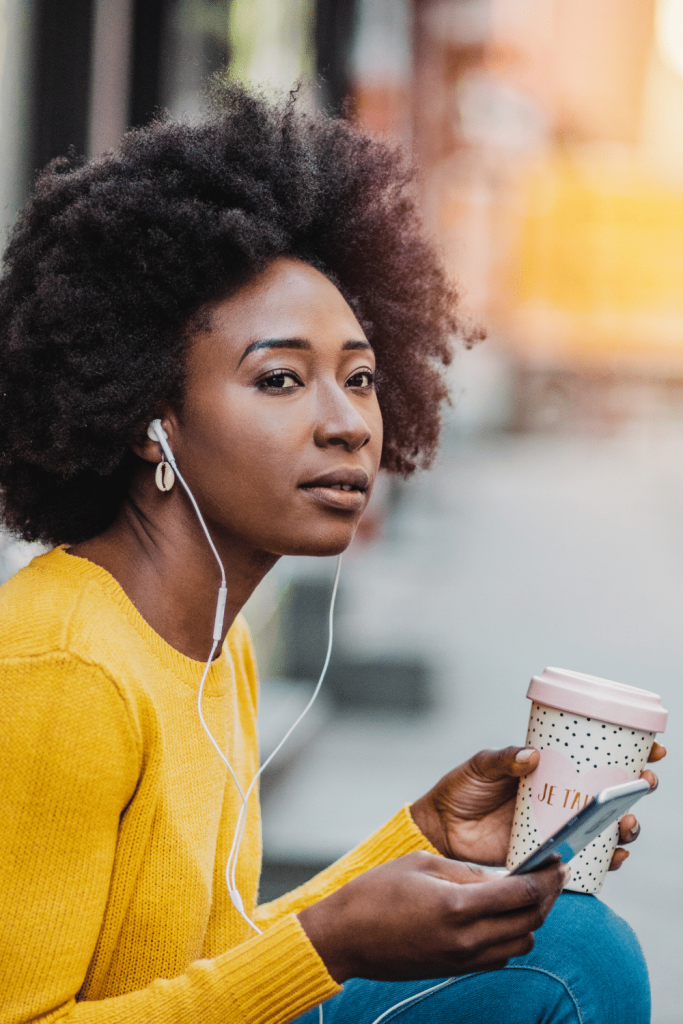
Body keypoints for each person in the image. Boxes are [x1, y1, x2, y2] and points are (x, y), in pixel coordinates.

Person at [0, 85, 663, 1024]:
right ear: (151, 416)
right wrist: (331, 947)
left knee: (571, 940)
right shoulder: (61, 672)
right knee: (569, 965)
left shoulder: (210, 636)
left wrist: (421, 838)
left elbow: (216, 961)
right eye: (279, 379)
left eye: (359, 377)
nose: (347, 424)